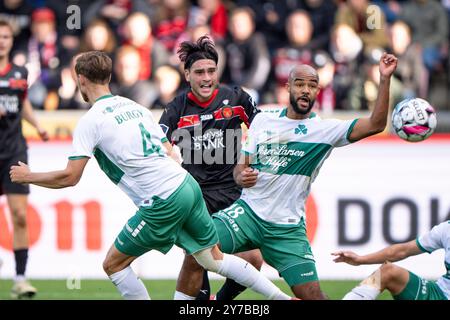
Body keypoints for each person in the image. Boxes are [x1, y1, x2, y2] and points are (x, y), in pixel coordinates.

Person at [9, 50, 293, 301]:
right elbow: (167, 151)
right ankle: (282, 298)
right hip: (187, 185)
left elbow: (70, 177)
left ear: (81, 79)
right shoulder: (135, 107)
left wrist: (28, 176)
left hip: (163, 199)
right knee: (212, 258)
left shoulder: (91, 120)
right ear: (108, 76)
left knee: (114, 264)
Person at [177, 52, 398, 299]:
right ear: (288, 87)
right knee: (198, 248)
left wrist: (384, 78)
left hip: (286, 230)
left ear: (317, 91)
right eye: (300, 84)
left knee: (312, 296)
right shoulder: (263, 122)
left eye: (312, 86)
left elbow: (377, 124)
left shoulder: (324, 130)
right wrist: (241, 176)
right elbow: (240, 168)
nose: (305, 90)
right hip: (247, 214)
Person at [159, 35, 263, 300]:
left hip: (233, 195)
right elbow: (157, 142)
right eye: (199, 72)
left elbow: (264, 129)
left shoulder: (237, 98)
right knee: (198, 266)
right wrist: (167, 154)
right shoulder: (177, 108)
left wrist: (249, 162)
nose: (206, 78)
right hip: (195, 198)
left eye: (211, 71)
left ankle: (221, 301)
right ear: (187, 75)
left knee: (253, 260)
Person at [0, 19, 48, 299]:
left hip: (14, 151)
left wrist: (38, 125)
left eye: (6, 36)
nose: (2, 41)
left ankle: (20, 278)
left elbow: (23, 102)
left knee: (19, 215)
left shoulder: (19, 73)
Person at [332, 220, 449, 300]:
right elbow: (403, 250)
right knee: (388, 271)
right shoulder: (446, 229)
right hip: (440, 293)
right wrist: (360, 259)